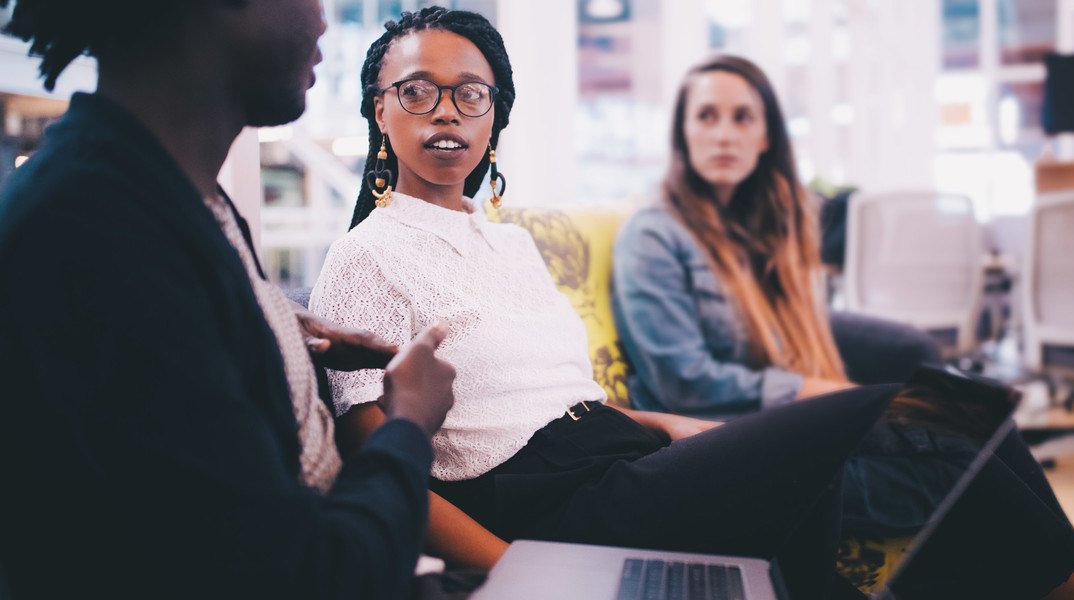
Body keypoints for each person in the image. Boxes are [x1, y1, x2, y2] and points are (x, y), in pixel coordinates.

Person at [308, 8, 914, 599]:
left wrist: (664, 423)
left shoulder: (512, 243)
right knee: (830, 434)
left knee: (841, 470)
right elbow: (378, 461)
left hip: (620, 456)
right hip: (552, 504)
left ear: (493, 116)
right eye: (417, 91)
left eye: (471, 94)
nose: (447, 110)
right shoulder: (364, 257)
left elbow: (564, 398)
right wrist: (518, 571)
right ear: (379, 109)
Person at [609, 54, 1074, 599]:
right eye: (706, 116)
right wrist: (821, 392)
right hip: (722, 440)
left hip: (777, 421)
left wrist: (831, 393)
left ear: (765, 137)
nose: (724, 134)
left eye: (742, 117)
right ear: (683, 133)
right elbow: (685, 381)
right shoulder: (653, 236)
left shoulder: (757, 233)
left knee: (970, 406)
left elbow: (779, 336)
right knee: (956, 451)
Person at [0, 1, 456, 599]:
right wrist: (410, 422)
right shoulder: (94, 236)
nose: (324, 20)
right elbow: (306, 575)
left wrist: (276, 331)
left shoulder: (165, 193)